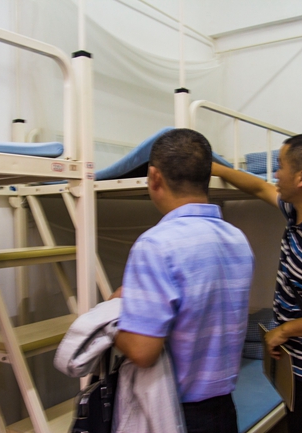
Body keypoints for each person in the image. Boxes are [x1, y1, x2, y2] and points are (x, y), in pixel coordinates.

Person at [212, 134, 302, 433]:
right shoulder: (297, 212)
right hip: (296, 367)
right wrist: (216, 169)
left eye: (280, 166)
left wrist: (283, 330)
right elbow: (258, 187)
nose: (276, 174)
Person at [113, 128, 255, 433]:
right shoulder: (237, 239)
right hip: (223, 410)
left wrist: (113, 314)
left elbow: (142, 352)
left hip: (175, 414)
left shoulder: (155, 244)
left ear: (154, 177)